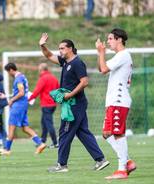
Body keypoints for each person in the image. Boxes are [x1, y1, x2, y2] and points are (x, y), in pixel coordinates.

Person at [39, 33, 110, 173]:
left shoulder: (77, 63)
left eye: (63, 48)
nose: (60, 51)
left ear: (70, 48)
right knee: (83, 132)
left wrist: (69, 95)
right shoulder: (65, 61)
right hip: (76, 104)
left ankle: (62, 165)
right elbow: (48, 56)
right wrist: (42, 45)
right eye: (59, 48)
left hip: (74, 104)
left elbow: (84, 82)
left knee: (64, 133)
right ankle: (100, 160)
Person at [96, 28, 137, 179]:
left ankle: (122, 169)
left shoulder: (123, 55)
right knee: (107, 133)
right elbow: (102, 67)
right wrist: (100, 53)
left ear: (119, 39)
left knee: (118, 133)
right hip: (114, 100)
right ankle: (128, 162)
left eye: (111, 38)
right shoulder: (119, 56)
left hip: (119, 100)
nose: (108, 42)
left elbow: (104, 69)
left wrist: (101, 53)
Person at [0, 63, 47, 155]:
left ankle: (7, 149)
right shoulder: (23, 76)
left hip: (18, 105)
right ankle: (40, 143)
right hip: (23, 104)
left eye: (8, 72)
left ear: (11, 70)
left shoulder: (18, 79)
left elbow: (21, 93)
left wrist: (11, 100)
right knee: (25, 128)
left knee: (11, 126)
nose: (9, 74)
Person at [28, 63, 60, 148]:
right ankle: (42, 141)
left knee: (49, 123)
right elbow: (58, 89)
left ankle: (55, 142)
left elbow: (37, 90)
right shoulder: (53, 78)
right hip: (53, 104)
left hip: (46, 104)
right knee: (44, 122)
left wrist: (29, 99)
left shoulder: (43, 78)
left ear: (41, 70)